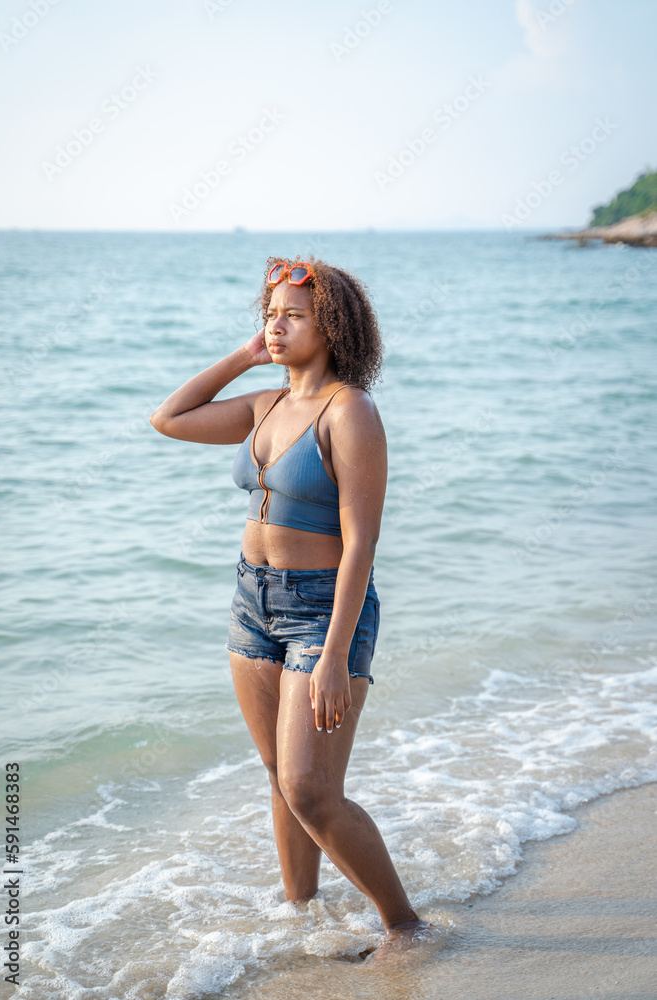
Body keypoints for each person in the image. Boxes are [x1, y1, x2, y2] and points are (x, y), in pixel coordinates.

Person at [150, 257, 425, 947]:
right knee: (277, 774)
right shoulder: (264, 404)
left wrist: (335, 655)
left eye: (292, 315)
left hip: (322, 610)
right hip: (252, 602)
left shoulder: (349, 411)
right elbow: (169, 418)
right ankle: (300, 917)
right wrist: (245, 356)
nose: (275, 325)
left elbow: (360, 545)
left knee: (310, 789)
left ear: (329, 326)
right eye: (268, 313)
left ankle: (406, 928)